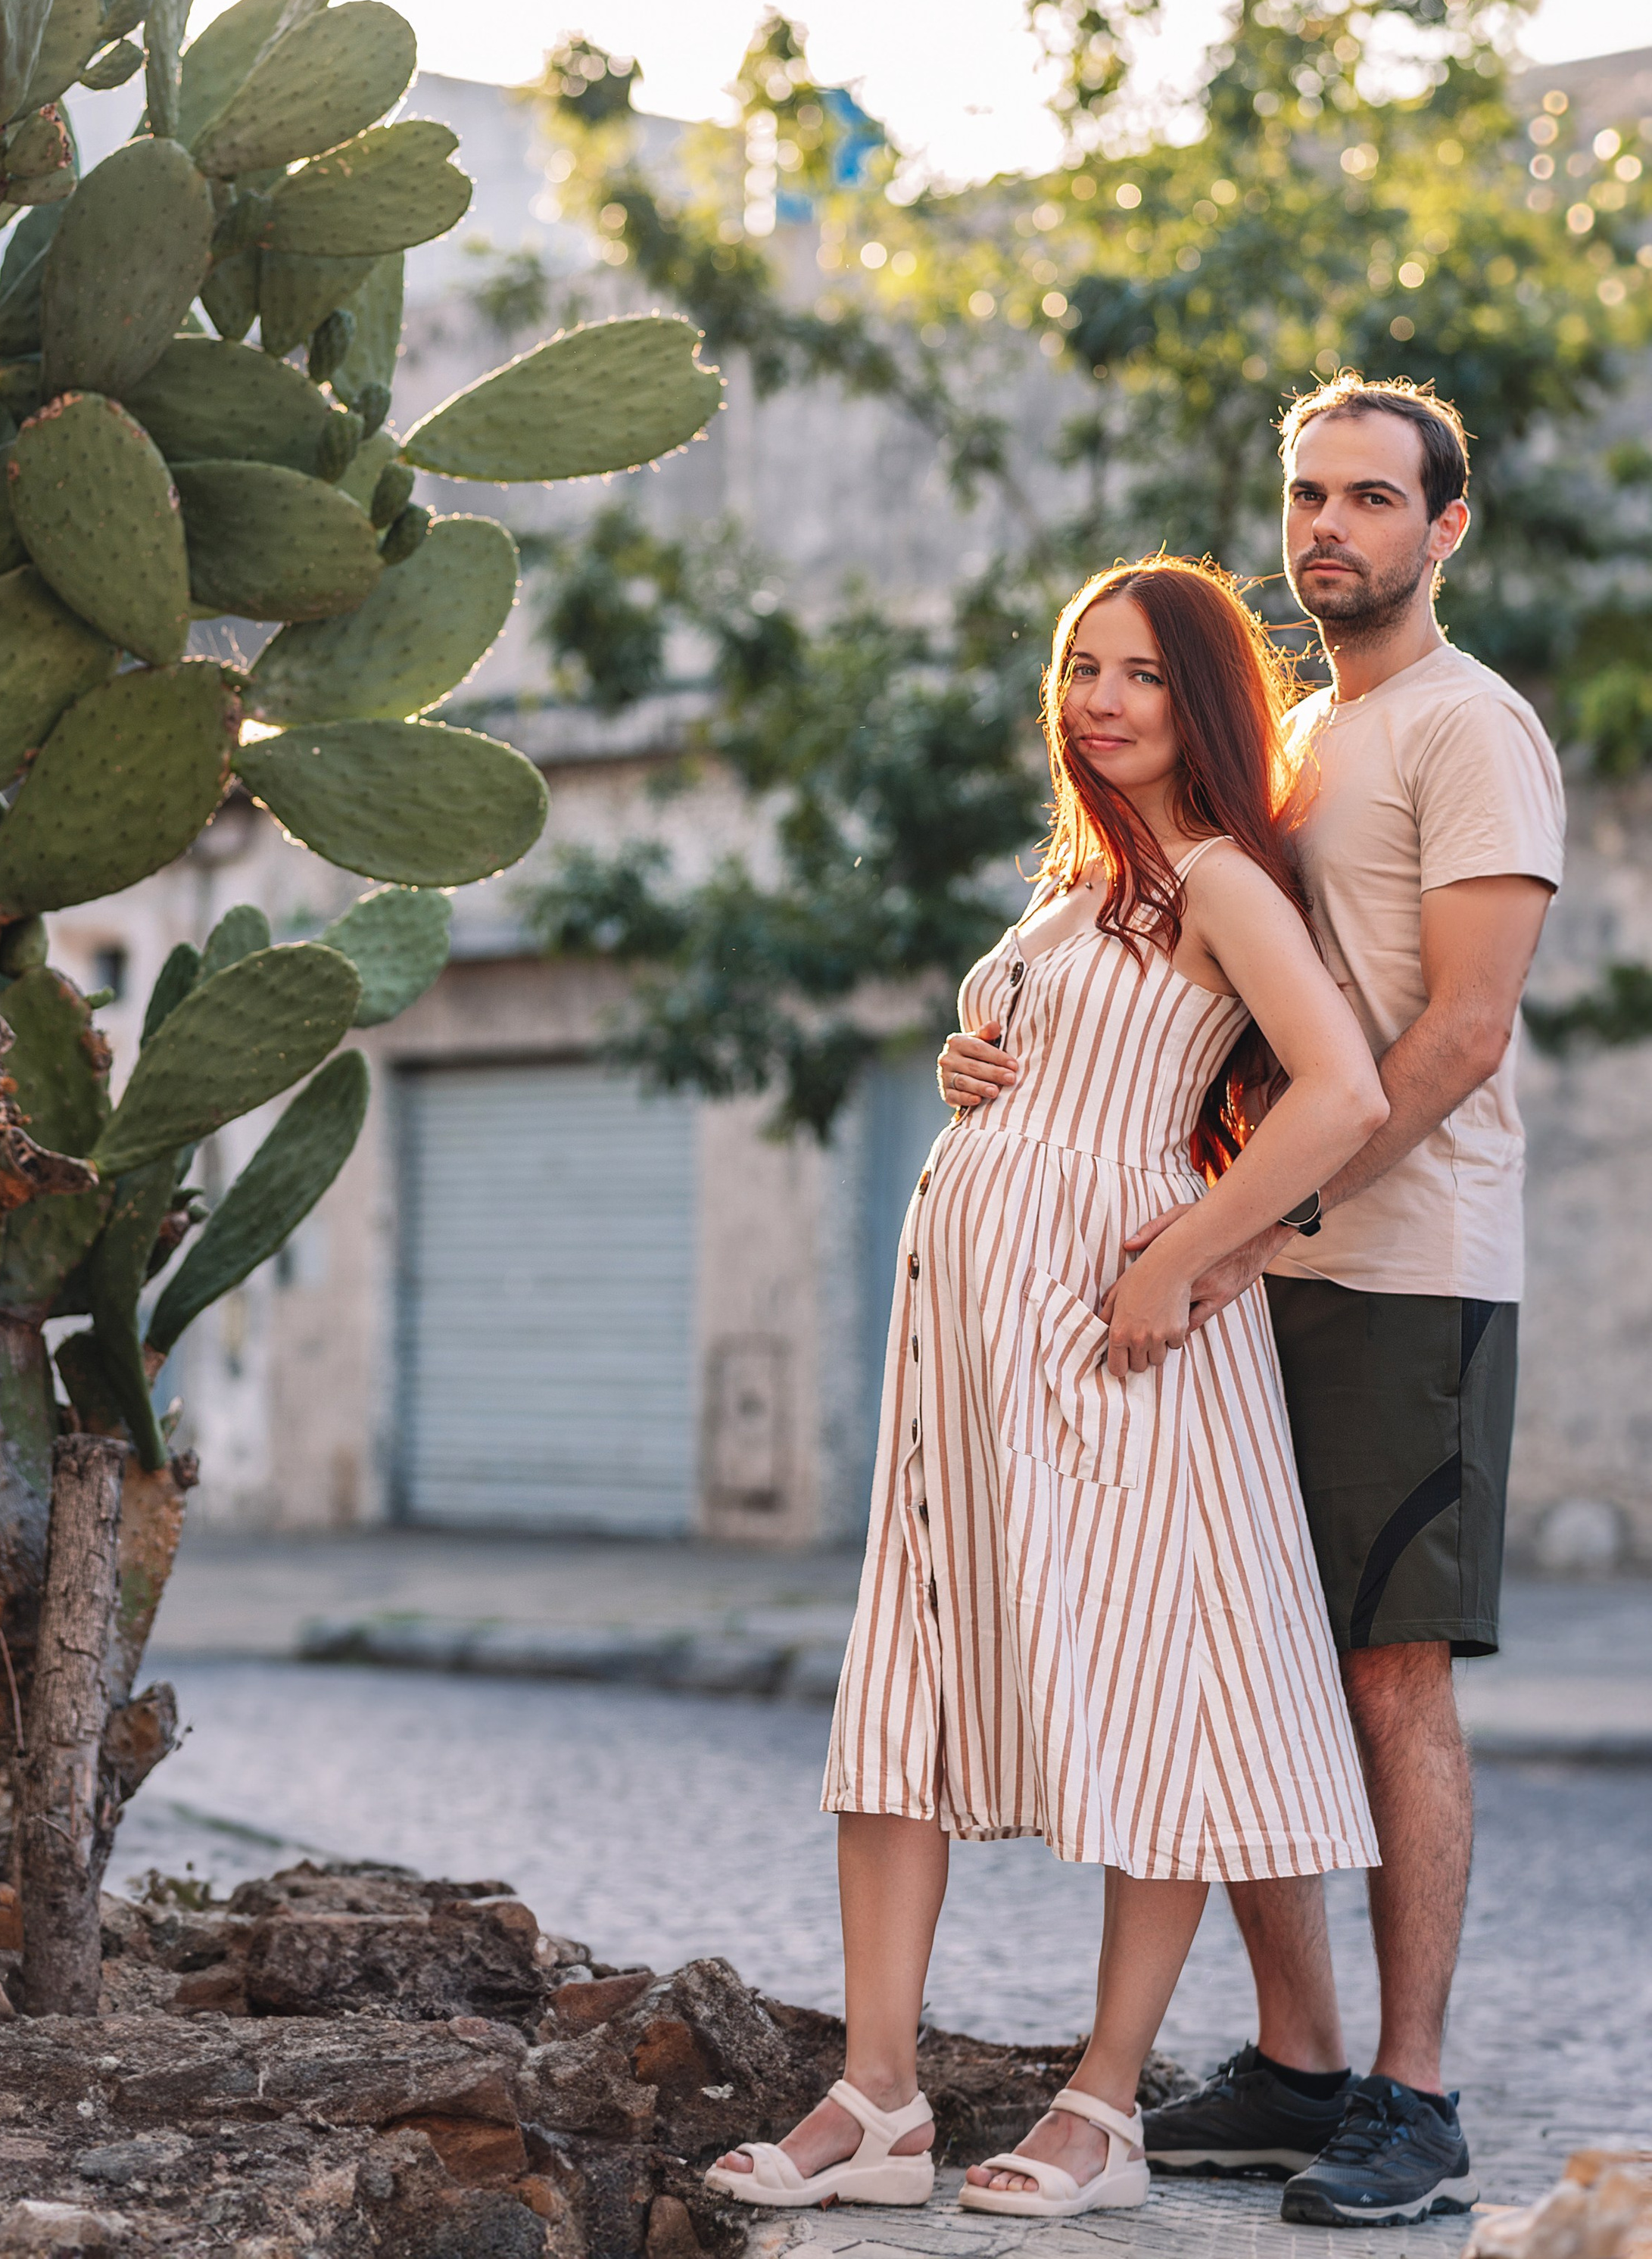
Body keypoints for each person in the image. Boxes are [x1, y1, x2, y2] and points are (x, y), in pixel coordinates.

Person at [708, 555, 1389, 2224]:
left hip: (1117, 1333)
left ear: (1204, 698)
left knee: (1146, 1688)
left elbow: (1342, 1093)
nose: (1098, 699)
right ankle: (874, 2099)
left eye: (1141, 673)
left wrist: (1183, 1257)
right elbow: (1053, 1063)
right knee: (906, 1693)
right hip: (972, 1354)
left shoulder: (1223, 878)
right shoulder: (1073, 887)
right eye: (1080, 668)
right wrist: (972, 1061)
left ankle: (1102, 2105)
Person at [1131, 379, 1563, 2225]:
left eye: (1371, 498)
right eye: (1306, 494)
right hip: (1261, 1261)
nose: (1329, 526)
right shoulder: (1291, 736)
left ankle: (1412, 2094)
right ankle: (1297, 2060)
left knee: (1389, 1682)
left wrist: (1256, 1221)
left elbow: (1458, 1031)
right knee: (1249, 1666)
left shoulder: (1471, 728)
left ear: (1440, 528)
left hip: (1405, 1273)